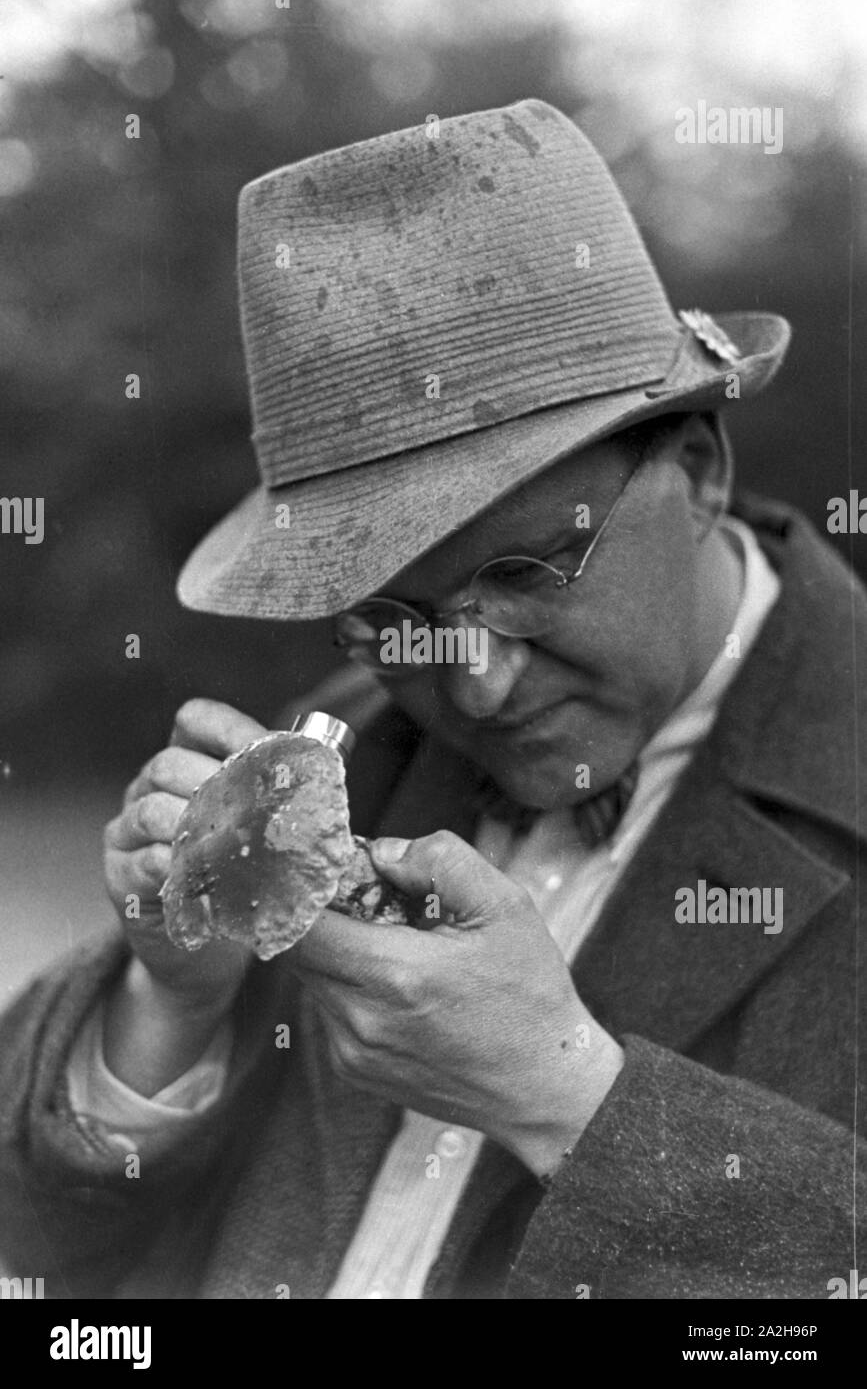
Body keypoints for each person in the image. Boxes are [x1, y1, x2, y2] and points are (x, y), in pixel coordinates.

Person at [0, 99, 864, 1300]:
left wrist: (571, 1097)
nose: (475, 679)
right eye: (394, 614)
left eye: (527, 572)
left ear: (700, 467)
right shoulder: (343, 735)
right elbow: (48, 1250)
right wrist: (169, 998)